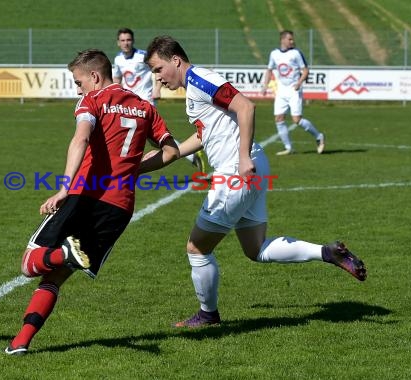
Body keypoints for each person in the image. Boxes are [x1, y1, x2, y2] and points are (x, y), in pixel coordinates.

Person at [144, 36, 366, 328]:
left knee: (197, 249)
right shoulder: (194, 89)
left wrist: (243, 157)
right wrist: (163, 157)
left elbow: (245, 107)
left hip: (237, 171)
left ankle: (208, 314)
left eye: (159, 69)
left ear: (175, 60)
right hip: (252, 166)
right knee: (256, 248)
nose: (157, 77)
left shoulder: (198, 78)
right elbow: (204, 135)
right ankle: (327, 253)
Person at [4, 49, 180, 355]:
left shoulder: (93, 100)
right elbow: (172, 151)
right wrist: (135, 167)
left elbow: (80, 139)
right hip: (120, 206)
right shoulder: (144, 107)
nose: (77, 88)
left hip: (86, 195)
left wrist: (63, 188)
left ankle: (63, 254)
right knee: (55, 277)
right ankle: (20, 342)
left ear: (95, 77)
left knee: (29, 265)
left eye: (78, 81)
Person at [113, 27, 207, 173]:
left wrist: (157, 89)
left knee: (136, 135)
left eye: (128, 40)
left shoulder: (142, 57)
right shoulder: (118, 59)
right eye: (123, 40)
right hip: (129, 105)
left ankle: (126, 170)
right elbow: (118, 78)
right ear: (118, 42)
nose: (126, 43)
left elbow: (157, 69)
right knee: (155, 139)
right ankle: (191, 154)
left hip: (145, 102)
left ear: (133, 41)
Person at [261, 30, 325, 156]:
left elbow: (305, 70)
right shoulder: (274, 54)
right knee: (279, 118)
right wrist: (265, 85)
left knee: (297, 120)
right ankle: (289, 147)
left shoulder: (296, 53)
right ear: (282, 40)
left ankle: (319, 136)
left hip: (294, 90)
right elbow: (269, 70)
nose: (292, 41)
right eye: (290, 39)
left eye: (292, 39)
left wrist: (299, 83)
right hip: (281, 91)